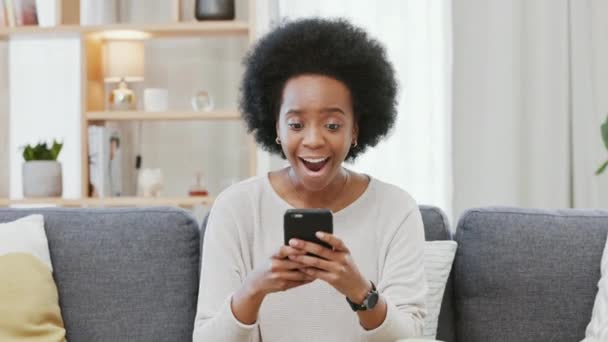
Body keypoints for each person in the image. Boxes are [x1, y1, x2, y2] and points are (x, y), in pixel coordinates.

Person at [193, 18, 427, 342]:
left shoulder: (395, 209)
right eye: (296, 124)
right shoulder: (237, 208)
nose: (313, 140)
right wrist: (254, 288)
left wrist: (360, 291)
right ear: (276, 127)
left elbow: (412, 337)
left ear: (355, 129)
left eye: (332, 125)